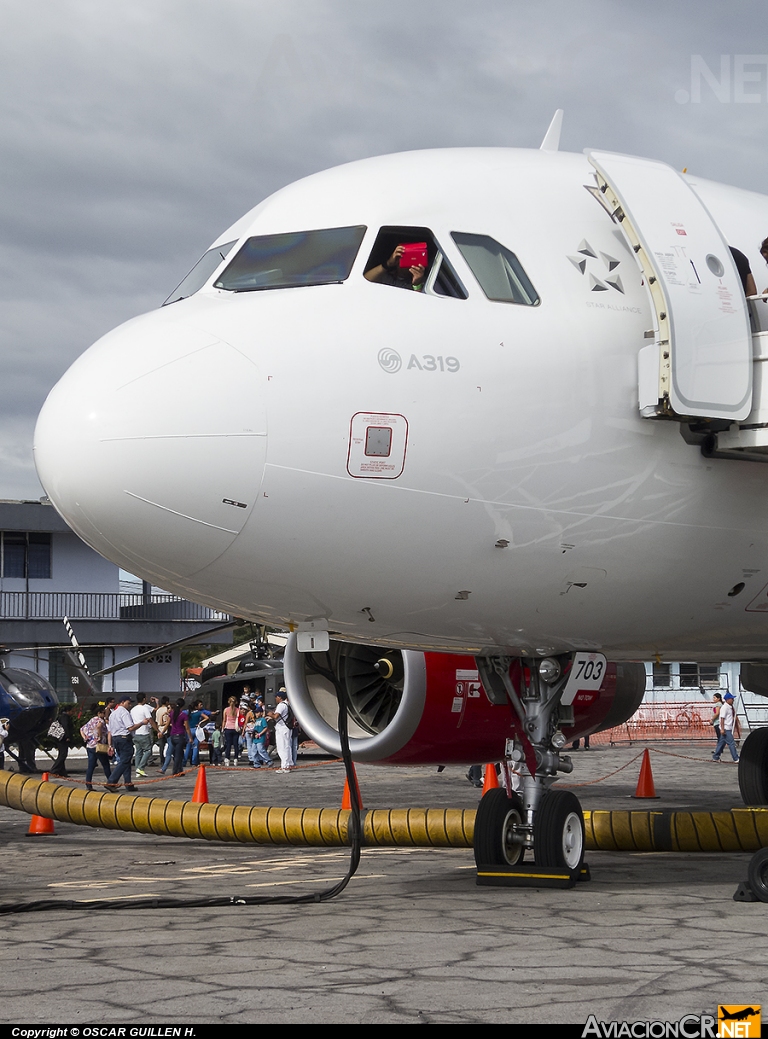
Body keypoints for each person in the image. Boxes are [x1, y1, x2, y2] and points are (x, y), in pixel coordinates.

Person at [105, 695, 144, 790]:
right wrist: (142, 723)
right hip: (124, 738)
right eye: (128, 703)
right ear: (122, 702)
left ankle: (128, 783)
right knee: (124, 761)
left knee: (125, 761)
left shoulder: (113, 713)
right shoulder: (124, 713)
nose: (129, 705)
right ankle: (111, 781)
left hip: (116, 738)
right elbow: (130, 727)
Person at [80, 704, 111, 791]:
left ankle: (88, 784)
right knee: (105, 765)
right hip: (99, 745)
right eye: (103, 713)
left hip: (90, 745)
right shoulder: (100, 721)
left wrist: (84, 737)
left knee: (91, 766)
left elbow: (82, 729)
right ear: (99, 713)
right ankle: (111, 782)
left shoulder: (91, 720)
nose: (105, 714)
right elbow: (99, 727)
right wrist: (100, 736)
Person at [131, 693, 156, 777]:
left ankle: (138, 770)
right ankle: (140, 768)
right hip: (144, 732)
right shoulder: (144, 708)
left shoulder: (133, 709)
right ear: (144, 699)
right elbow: (150, 720)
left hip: (136, 733)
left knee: (138, 752)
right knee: (148, 751)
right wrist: (157, 730)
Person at [269, 691, 293, 773]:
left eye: (276, 697)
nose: (275, 698)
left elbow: (276, 716)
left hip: (282, 728)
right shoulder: (287, 704)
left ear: (280, 697)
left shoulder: (281, 705)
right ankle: (289, 764)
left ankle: (285, 766)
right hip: (287, 728)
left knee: (282, 747)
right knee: (287, 746)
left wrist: (270, 714)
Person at [168, 698, 193, 776]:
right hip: (180, 736)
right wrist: (190, 737)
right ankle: (175, 770)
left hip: (172, 735)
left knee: (176, 753)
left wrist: (161, 732)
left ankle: (180, 770)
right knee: (179, 755)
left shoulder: (172, 713)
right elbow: (187, 728)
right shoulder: (183, 715)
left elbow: (167, 724)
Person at [712, 692, 739, 762]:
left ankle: (716, 756)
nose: (733, 700)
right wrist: (722, 729)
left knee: (721, 743)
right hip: (726, 728)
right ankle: (736, 758)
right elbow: (722, 718)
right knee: (731, 743)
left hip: (728, 727)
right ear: (728, 699)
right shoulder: (725, 707)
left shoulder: (730, 707)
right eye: (732, 699)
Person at [49, 705, 73, 778]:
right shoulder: (65, 717)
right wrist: (68, 736)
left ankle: (62, 771)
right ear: (68, 711)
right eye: (72, 711)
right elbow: (65, 726)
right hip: (62, 738)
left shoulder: (62, 716)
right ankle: (54, 770)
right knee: (63, 754)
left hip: (60, 738)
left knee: (62, 754)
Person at [221, 695, 240, 767]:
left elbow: (224, 720)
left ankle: (227, 759)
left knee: (228, 744)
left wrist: (222, 728)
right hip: (235, 728)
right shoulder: (238, 710)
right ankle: (236, 759)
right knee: (236, 744)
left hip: (228, 728)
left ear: (229, 702)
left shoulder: (226, 710)